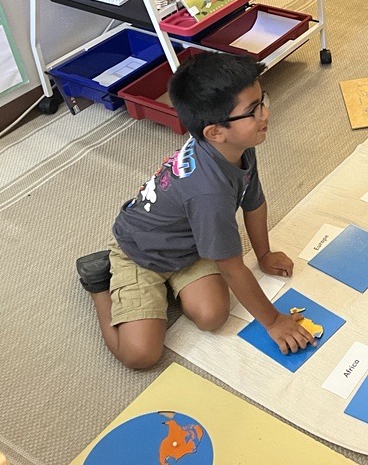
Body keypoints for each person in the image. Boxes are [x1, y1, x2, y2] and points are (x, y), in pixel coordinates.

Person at [75, 53, 316, 370]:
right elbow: (231, 268)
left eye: (262, 101)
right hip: (139, 251)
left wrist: (265, 254)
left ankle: (168, 288)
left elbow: (253, 202)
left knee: (213, 316)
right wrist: (273, 322)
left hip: (188, 245)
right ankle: (99, 284)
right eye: (253, 110)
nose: (265, 113)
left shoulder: (236, 147)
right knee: (140, 355)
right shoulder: (208, 191)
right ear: (215, 131)